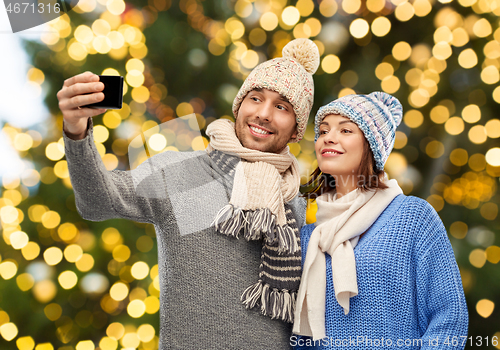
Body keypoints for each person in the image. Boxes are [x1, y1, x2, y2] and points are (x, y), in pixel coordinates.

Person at [57, 38, 320, 349]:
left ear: (295, 130)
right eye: (255, 98)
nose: (263, 114)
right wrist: (76, 129)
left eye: (281, 107)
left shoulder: (293, 198)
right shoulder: (180, 173)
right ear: (239, 105)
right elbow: (97, 202)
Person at [291, 92, 468, 349]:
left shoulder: (413, 217)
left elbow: (450, 318)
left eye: (346, 130)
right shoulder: (308, 237)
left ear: (371, 146)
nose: (328, 137)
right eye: (323, 130)